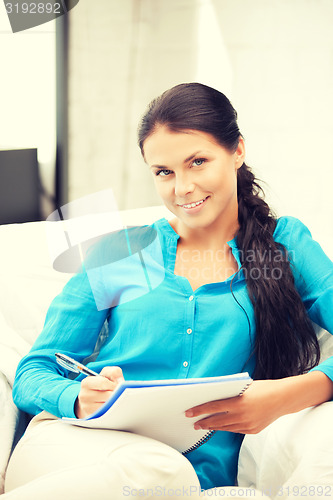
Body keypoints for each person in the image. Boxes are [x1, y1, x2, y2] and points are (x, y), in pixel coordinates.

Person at [4, 83, 333, 499]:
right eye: (164, 172)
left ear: (238, 151)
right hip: (77, 445)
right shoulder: (123, 251)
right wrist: (78, 396)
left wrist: (289, 393)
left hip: (191, 474)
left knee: (167, 475)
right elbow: (34, 372)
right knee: (158, 471)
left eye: (197, 162)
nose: (182, 188)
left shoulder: (286, 246)